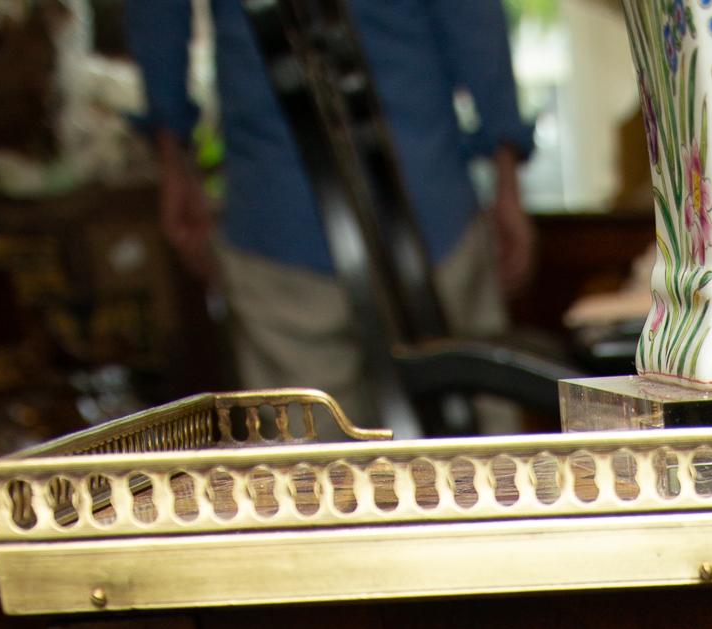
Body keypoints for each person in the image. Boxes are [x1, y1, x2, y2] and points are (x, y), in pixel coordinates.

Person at [126, 0, 538, 419]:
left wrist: (172, 157)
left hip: (280, 212)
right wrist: (506, 171)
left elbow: (158, 15)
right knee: (473, 459)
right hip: (426, 200)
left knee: (308, 466)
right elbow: (471, 17)